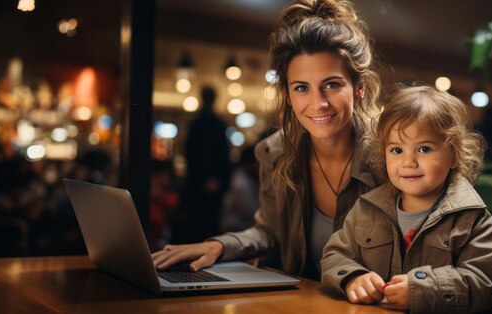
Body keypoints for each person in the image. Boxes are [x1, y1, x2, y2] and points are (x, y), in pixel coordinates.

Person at [152, 0, 381, 280]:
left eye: (332, 84)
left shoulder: (391, 153)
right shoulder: (275, 152)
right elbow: (270, 231)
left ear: (359, 87)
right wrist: (218, 246)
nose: (317, 103)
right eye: (301, 88)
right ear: (287, 94)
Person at [320, 85, 492, 313]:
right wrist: (353, 277)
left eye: (424, 149)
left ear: (454, 156)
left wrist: (424, 289)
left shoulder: (472, 219)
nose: (408, 162)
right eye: (397, 150)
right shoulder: (367, 209)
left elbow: (485, 282)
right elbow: (335, 255)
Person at [176, 85, 232, 243]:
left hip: (197, 182)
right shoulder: (217, 123)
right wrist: (218, 180)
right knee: (210, 224)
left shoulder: (197, 123)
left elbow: (191, 154)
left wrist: (202, 178)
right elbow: (222, 155)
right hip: (209, 183)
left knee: (199, 224)